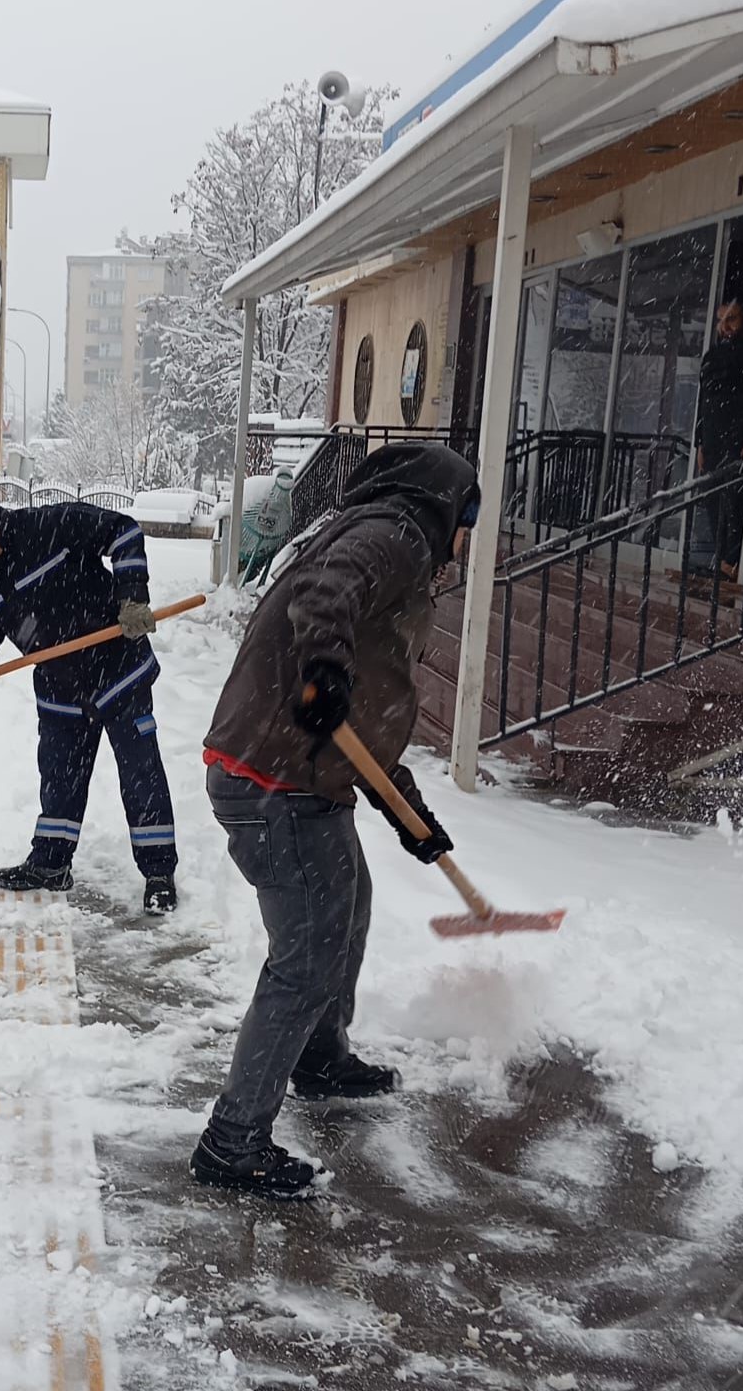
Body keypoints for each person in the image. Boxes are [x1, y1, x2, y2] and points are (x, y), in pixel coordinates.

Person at [190, 443, 481, 1200]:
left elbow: (367, 724)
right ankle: (233, 1141)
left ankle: (320, 1056)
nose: (466, 543)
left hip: (295, 775)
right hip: (276, 781)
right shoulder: (398, 536)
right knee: (307, 954)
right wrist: (323, 672)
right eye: (469, 524)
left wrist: (408, 813)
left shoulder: (388, 541)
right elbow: (323, 595)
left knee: (346, 910)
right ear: (448, 506)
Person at [0, 485, 179, 914]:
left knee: (140, 772)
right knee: (60, 776)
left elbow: (124, 531)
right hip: (60, 686)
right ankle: (51, 864)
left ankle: (158, 873)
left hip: (117, 671)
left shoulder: (52, 526)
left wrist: (132, 596)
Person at [695, 296, 743, 581]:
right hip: (713, 438)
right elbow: (704, 401)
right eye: (720, 320)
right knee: (713, 499)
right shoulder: (712, 357)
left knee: (737, 498)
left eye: (732, 319)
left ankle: (731, 562)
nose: (724, 326)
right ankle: (722, 558)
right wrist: (700, 442)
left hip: (740, 437)